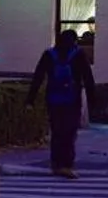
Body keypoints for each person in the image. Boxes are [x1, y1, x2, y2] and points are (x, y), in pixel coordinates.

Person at [29, 28, 97, 178]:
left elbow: (38, 76)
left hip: (53, 99)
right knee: (69, 133)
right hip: (72, 100)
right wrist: (92, 100)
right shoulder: (78, 54)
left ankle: (56, 164)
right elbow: (87, 77)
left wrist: (30, 99)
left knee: (56, 132)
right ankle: (66, 165)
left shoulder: (49, 54)